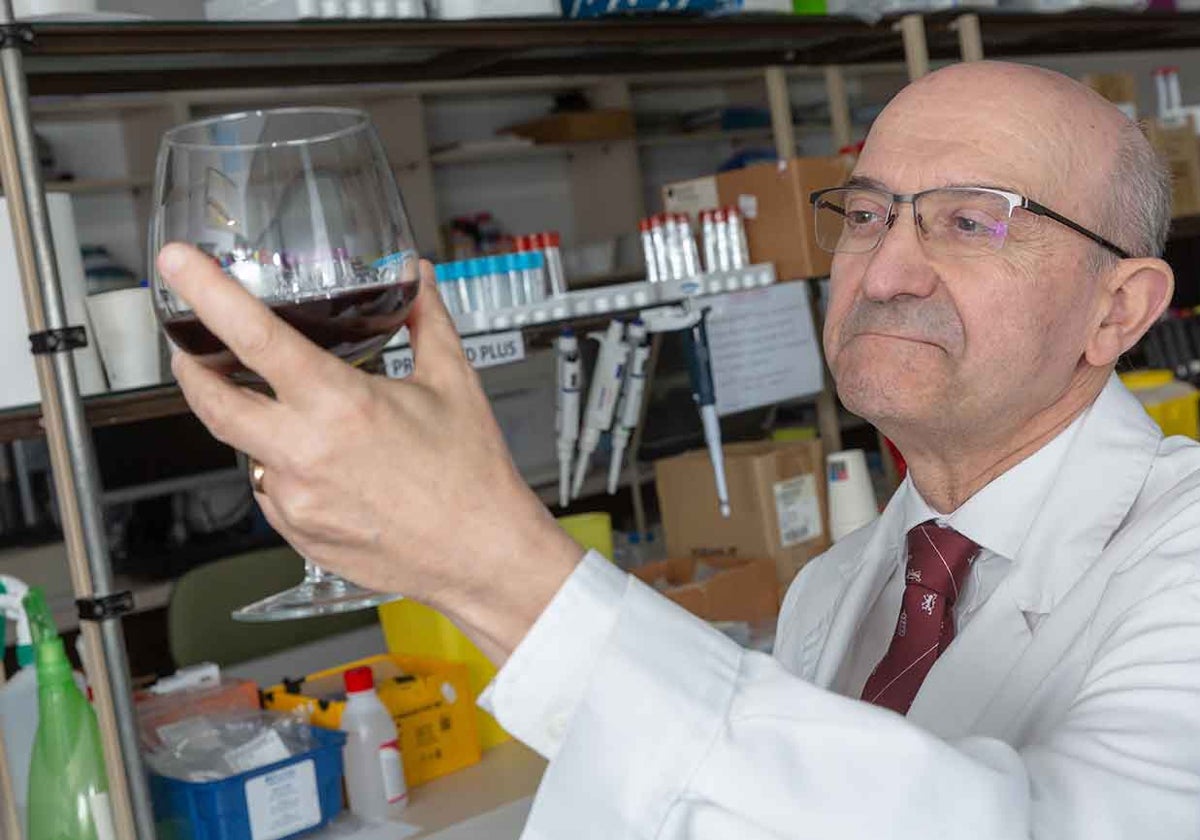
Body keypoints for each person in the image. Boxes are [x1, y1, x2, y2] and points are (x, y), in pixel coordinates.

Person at [157, 60, 1200, 838]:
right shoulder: (839, 593)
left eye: (971, 223)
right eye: (871, 213)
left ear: (1120, 309)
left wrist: (493, 563)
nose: (885, 273)